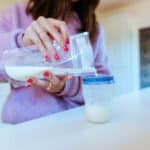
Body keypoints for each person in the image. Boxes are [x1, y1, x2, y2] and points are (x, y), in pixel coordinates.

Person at [0, 0, 111, 124]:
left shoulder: (93, 28)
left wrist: (67, 86)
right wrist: (22, 41)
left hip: (74, 125)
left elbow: (102, 85)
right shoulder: (15, 13)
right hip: (20, 128)